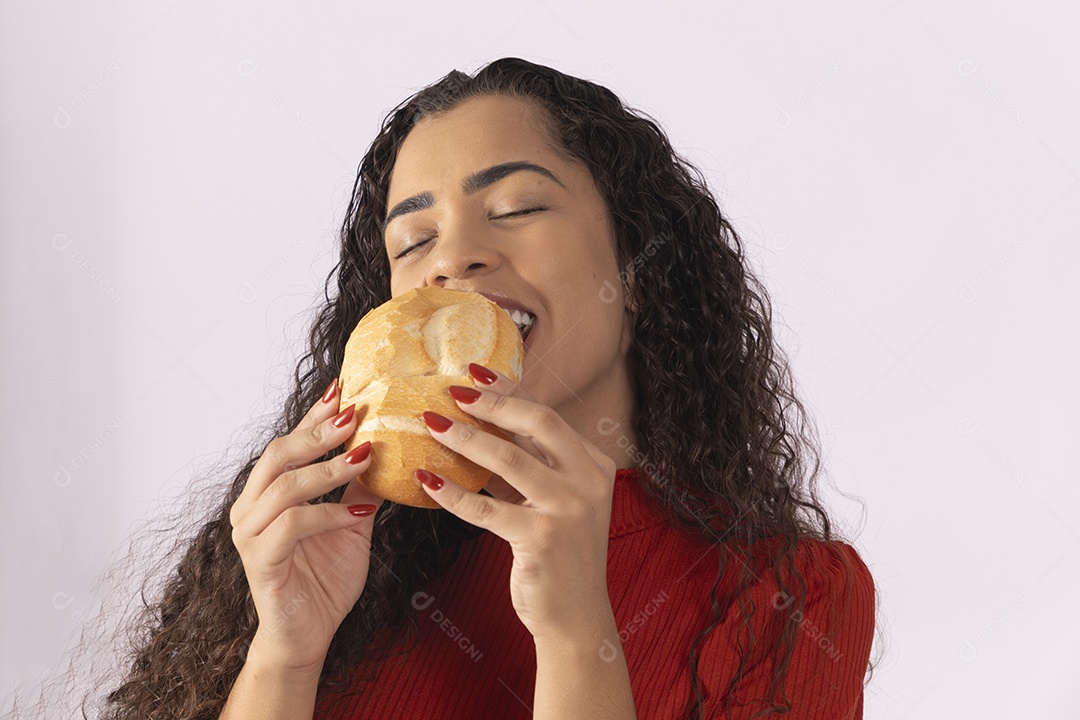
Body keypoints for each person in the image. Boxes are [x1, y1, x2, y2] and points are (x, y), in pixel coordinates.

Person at [93, 57, 878, 719]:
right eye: (413, 239)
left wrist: (575, 631)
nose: (453, 259)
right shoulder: (340, 557)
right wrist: (285, 654)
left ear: (635, 269)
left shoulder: (790, 595)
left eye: (515, 208)